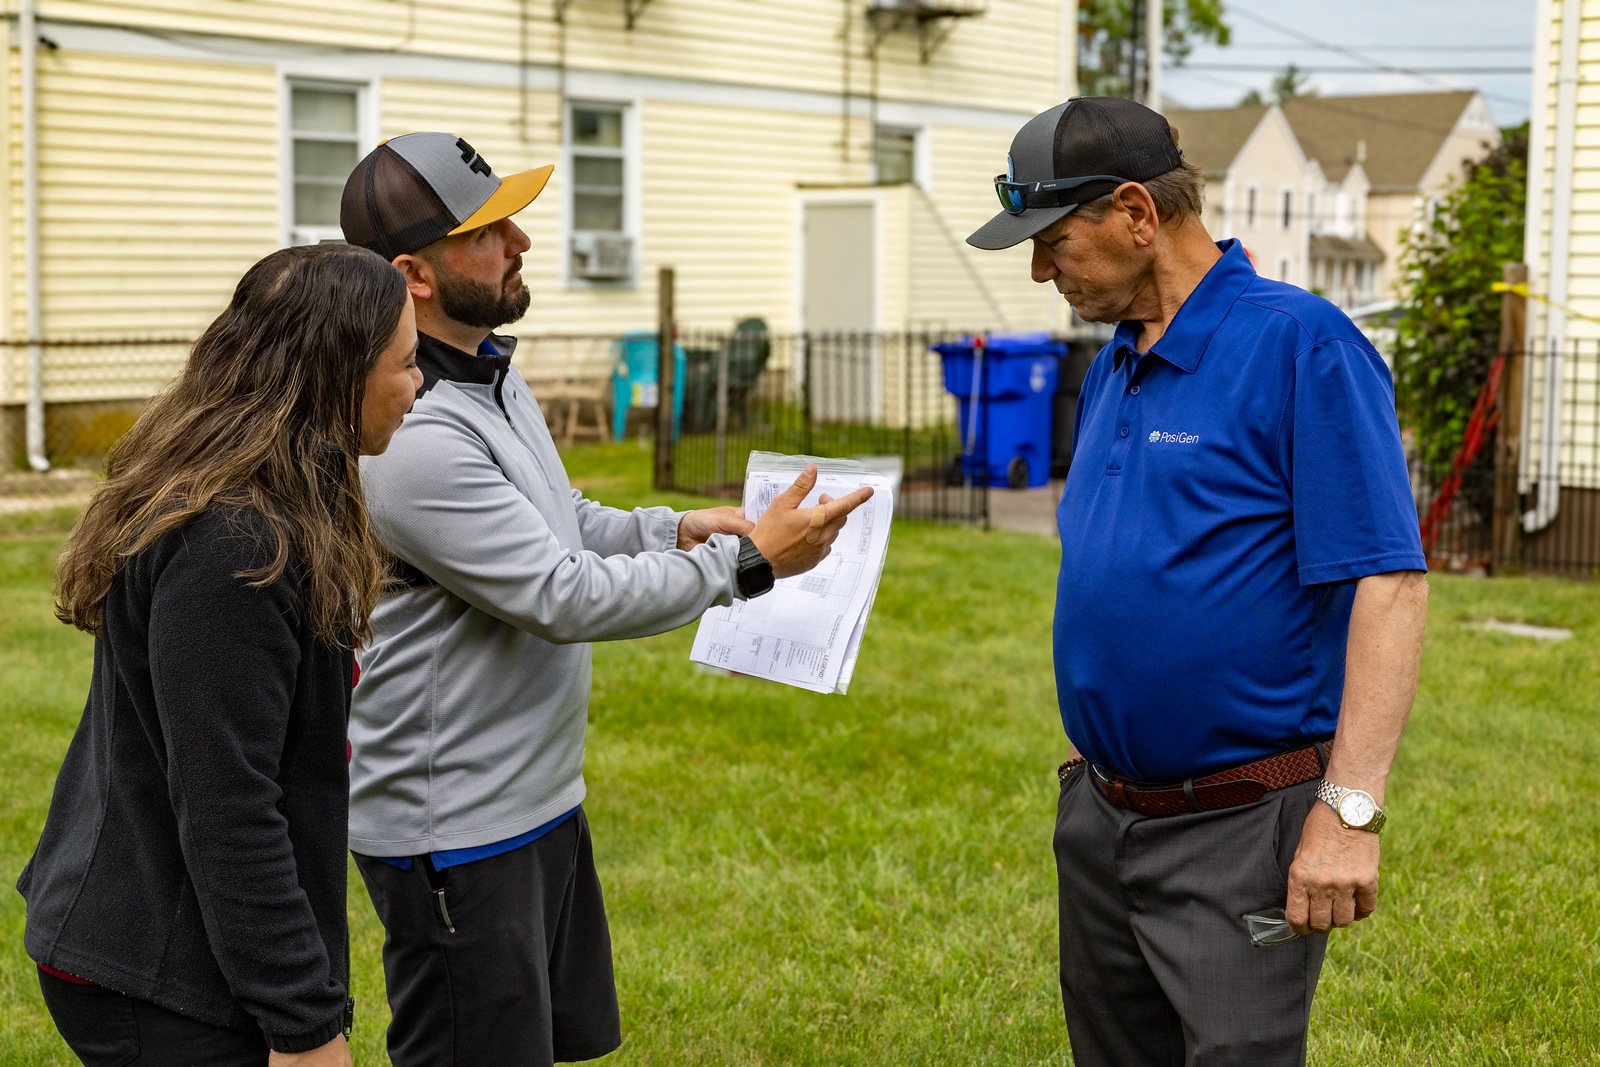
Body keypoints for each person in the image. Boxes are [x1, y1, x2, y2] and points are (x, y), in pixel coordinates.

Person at [337, 132, 873, 1067]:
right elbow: (557, 592)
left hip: (536, 799)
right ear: (411, 274)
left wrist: (676, 530)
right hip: (456, 829)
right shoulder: (414, 433)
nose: (522, 245)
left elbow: (558, 518)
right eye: (488, 232)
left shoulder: (492, 373)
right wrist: (748, 568)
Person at [967, 97, 1429, 1065]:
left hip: (1238, 828)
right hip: (1101, 817)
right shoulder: (1113, 365)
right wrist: (1081, 768)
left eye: (1053, 240)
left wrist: (1348, 814)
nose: (1041, 270)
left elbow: (1389, 582)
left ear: (1137, 212)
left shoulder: (1301, 345)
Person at [18, 243, 422, 1065]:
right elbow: (229, 807)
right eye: (407, 363)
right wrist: (305, 1028)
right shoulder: (236, 544)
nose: (420, 384)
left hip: (171, 942)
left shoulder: (276, 491)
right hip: (155, 967)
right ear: (338, 374)